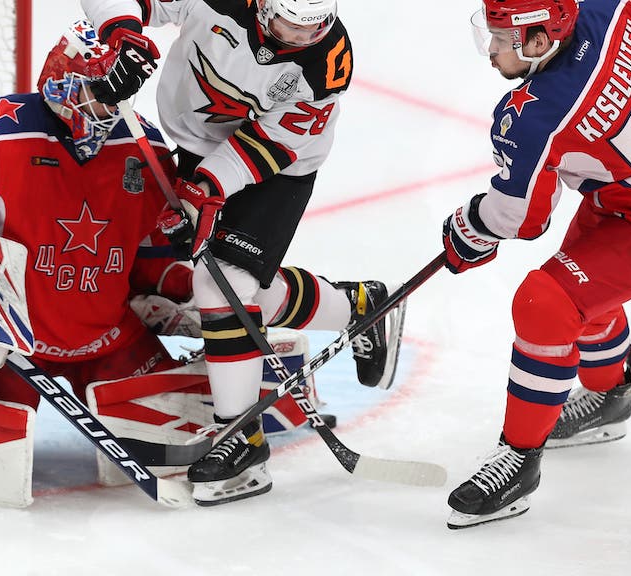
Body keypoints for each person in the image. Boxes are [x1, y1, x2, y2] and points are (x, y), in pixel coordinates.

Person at [79, 0, 405, 506]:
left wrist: (207, 187)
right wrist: (122, 33)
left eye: (312, 28)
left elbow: (273, 142)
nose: (300, 39)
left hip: (278, 165)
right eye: (288, 25)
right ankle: (358, 307)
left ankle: (241, 437)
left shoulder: (328, 59)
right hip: (194, 141)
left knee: (221, 284)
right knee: (236, 291)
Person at [442, 0, 631, 529]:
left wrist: (469, 227)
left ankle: (518, 460)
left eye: (502, 39)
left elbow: (522, 218)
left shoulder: (530, 116)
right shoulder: (607, 8)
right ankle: (608, 395)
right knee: (582, 294)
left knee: (544, 303)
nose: (491, 50)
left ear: (539, 41)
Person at [0, 21, 191, 415]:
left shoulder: (143, 146)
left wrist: (181, 289)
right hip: (3, 339)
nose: (108, 108)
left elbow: (158, 236)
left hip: (108, 335)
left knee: (173, 415)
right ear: (63, 78)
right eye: (99, 91)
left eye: (117, 94)